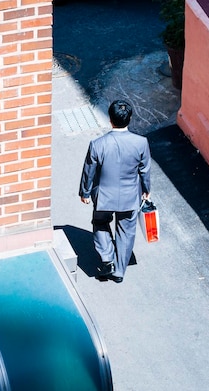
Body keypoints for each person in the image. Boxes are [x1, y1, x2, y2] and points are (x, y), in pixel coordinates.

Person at [79, 100, 151, 283]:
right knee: (126, 232)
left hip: (104, 196)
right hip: (130, 196)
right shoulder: (141, 143)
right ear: (130, 118)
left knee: (100, 223)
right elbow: (144, 170)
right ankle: (119, 272)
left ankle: (107, 258)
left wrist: (85, 193)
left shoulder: (97, 144)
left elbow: (89, 171)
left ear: (110, 119)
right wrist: (146, 190)